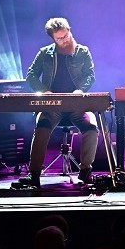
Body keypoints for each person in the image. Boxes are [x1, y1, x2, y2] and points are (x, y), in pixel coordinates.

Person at [17, 17, 98, 188]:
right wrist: (44, 90)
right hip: (52, 105)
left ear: (69, 30)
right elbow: (31, 75)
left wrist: (80, 91)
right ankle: (34, 175)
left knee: (91, 128)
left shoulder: (82, 52)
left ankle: (85, 171)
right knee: (41, 129)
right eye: (60, 38)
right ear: (53, 38)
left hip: (77, 105)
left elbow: (90, 75)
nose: (65, 40)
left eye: (67, 35)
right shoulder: (45, 53)